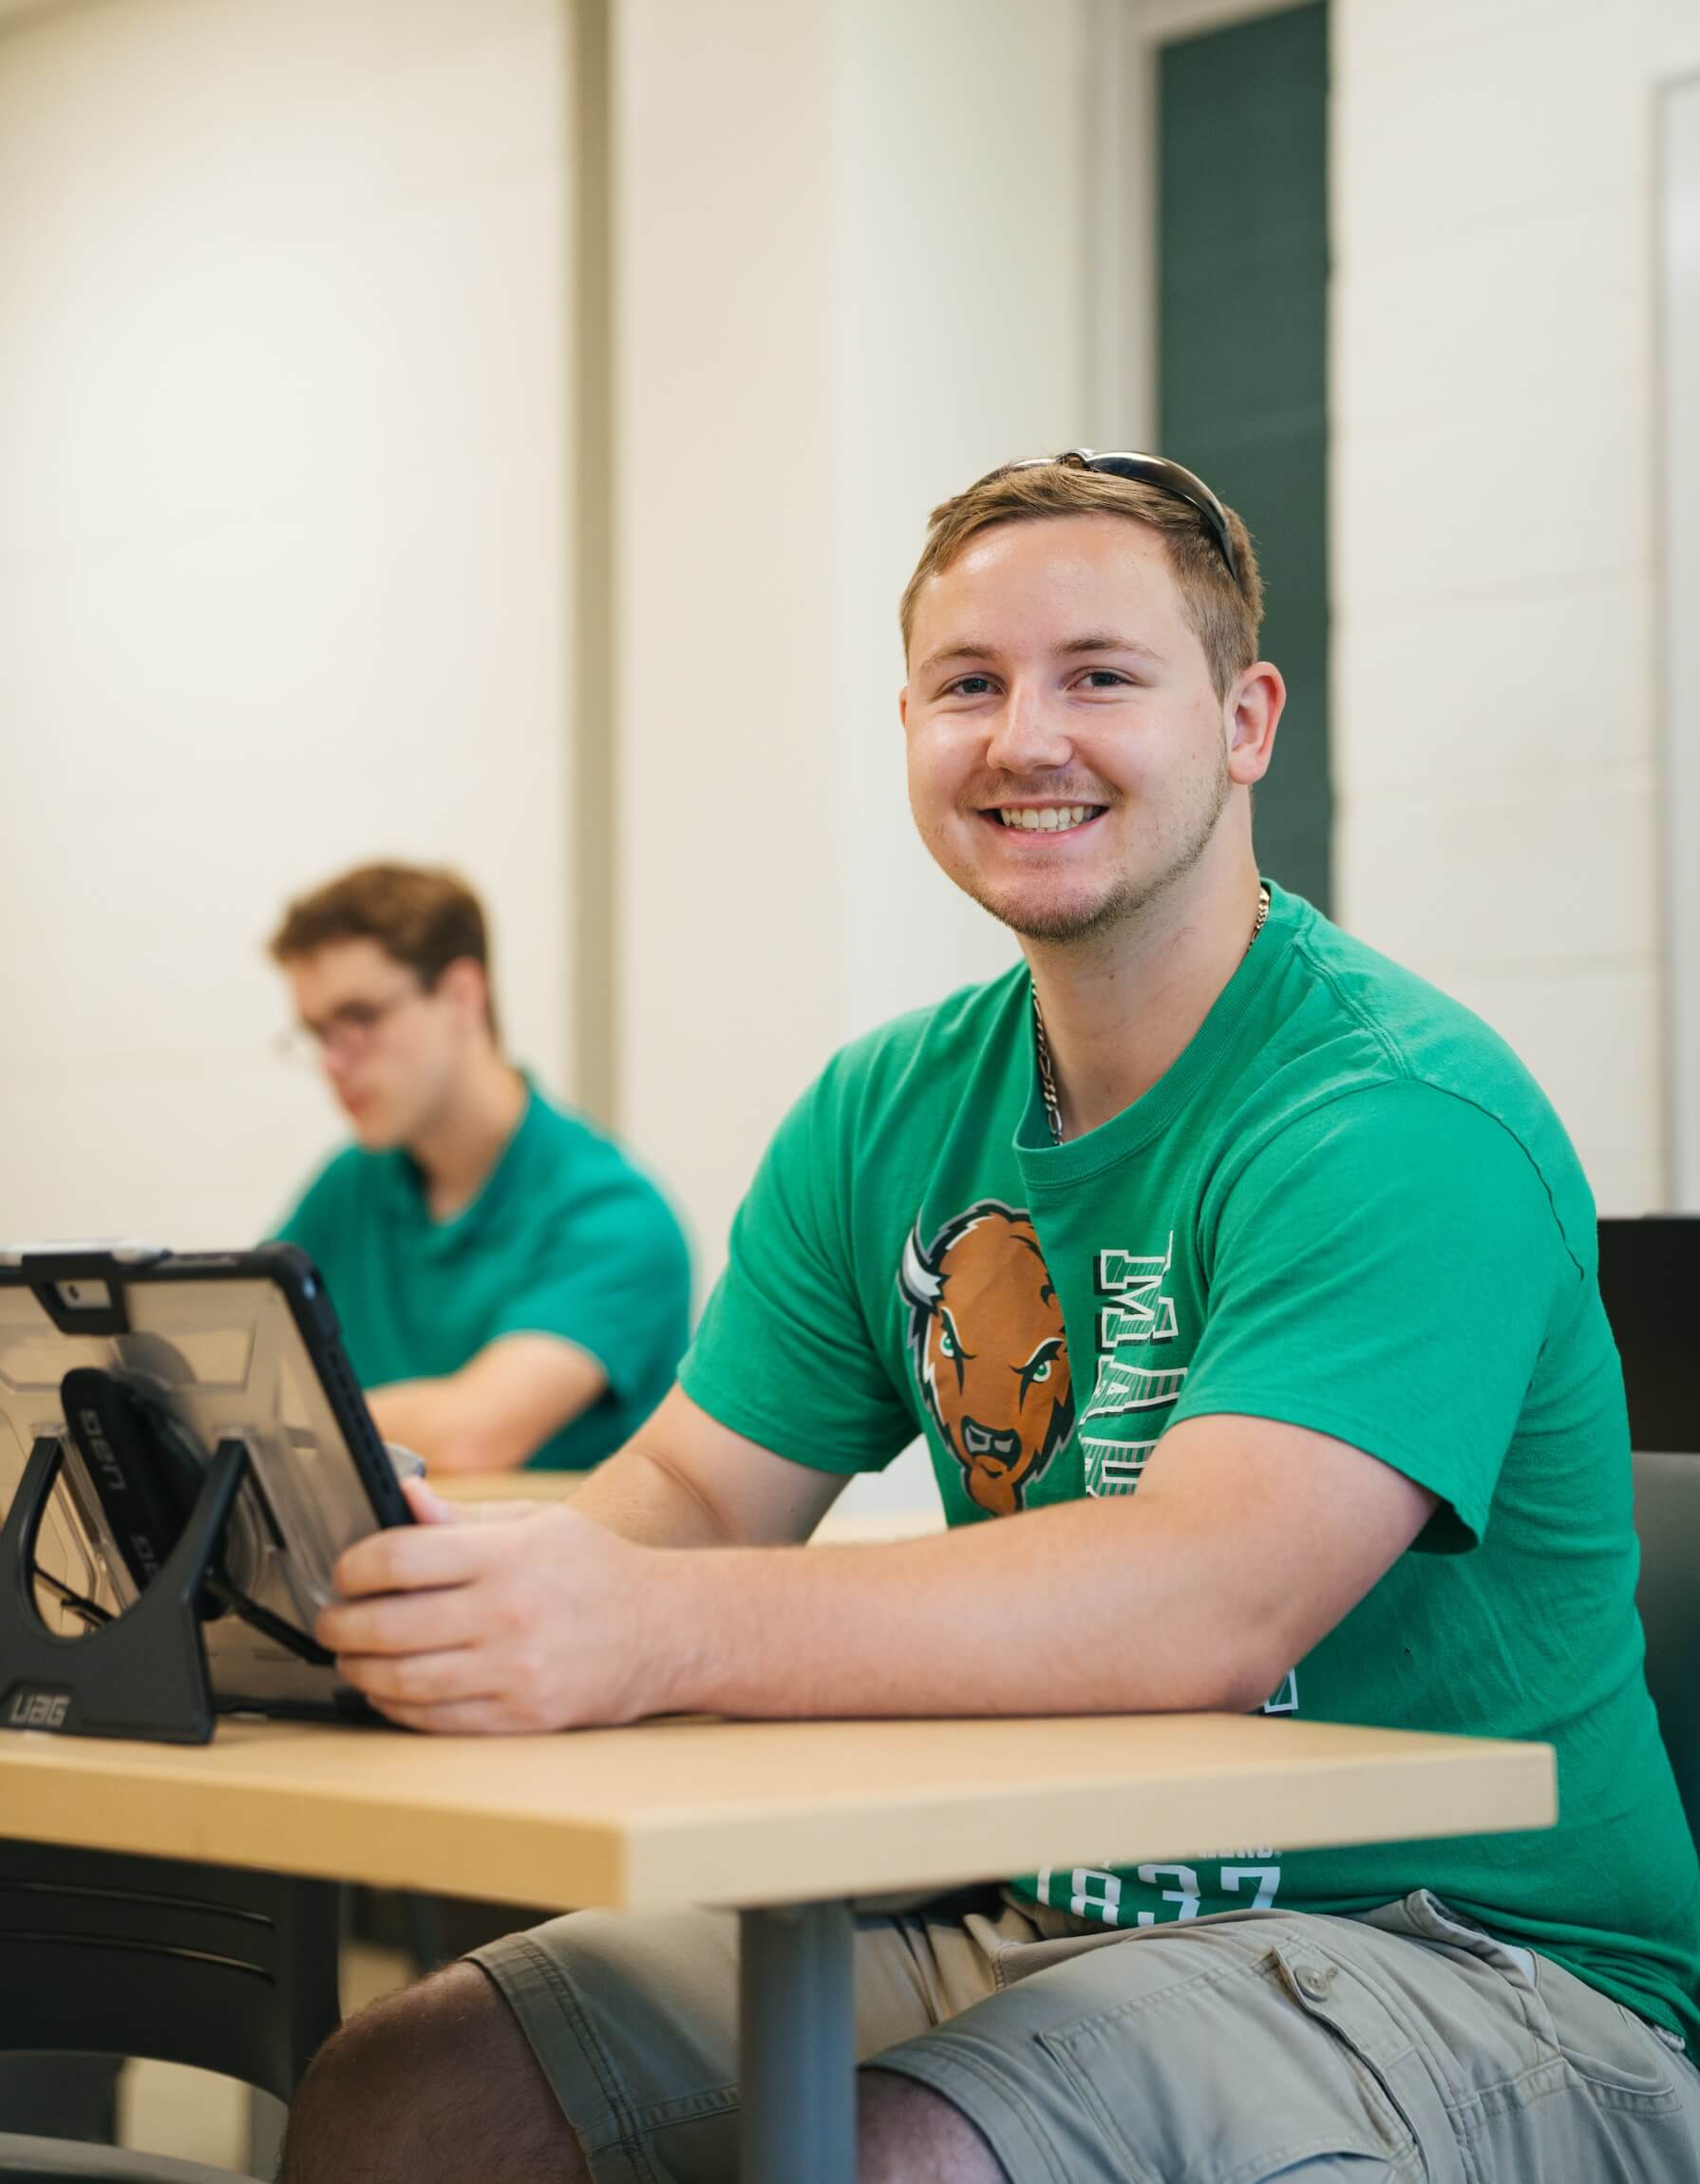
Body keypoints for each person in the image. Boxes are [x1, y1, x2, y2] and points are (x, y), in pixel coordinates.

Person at [280, 457, 1700, 2182]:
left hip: (1475, 1964)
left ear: (1246, 721)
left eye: (1101, 674)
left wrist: (649, 1628)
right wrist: (472, 1585)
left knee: (902, 2158)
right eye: (970, 685)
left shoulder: (1397, 1115)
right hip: (1052, 1901)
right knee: (411, 2088)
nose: (1028, 735)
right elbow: (702, 1499)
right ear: (909, 730)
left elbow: (1207, 1607)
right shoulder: (884, 1110)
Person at [270, 861, 689, 1474]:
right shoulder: (350, 1186)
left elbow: (472, 1440)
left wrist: (277, 1421)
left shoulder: (616, 1217)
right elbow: (233, 1369)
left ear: (463, 996)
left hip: (555, 1569)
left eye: (359, 1018)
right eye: (316, 1033)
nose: (333, 1061)